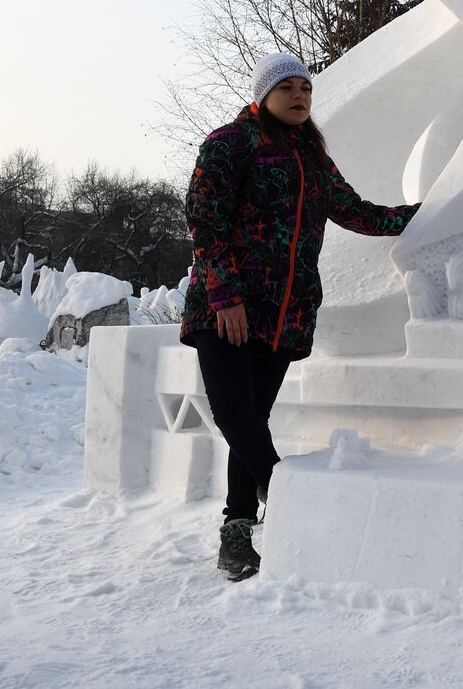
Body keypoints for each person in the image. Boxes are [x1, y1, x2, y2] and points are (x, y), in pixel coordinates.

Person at [180, 53, 420, 582]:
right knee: (234, 413)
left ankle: (236, 532)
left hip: (285, 314)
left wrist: (422, 216)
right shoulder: (228, 144)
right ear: (262, 95)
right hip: (227, 310)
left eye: (305, 88)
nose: (299, 96)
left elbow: (356, 211)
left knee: (251, 420)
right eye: (286, 87)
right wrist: (226, 296)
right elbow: (205, 221)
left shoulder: (312, 157)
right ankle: (286, 501)